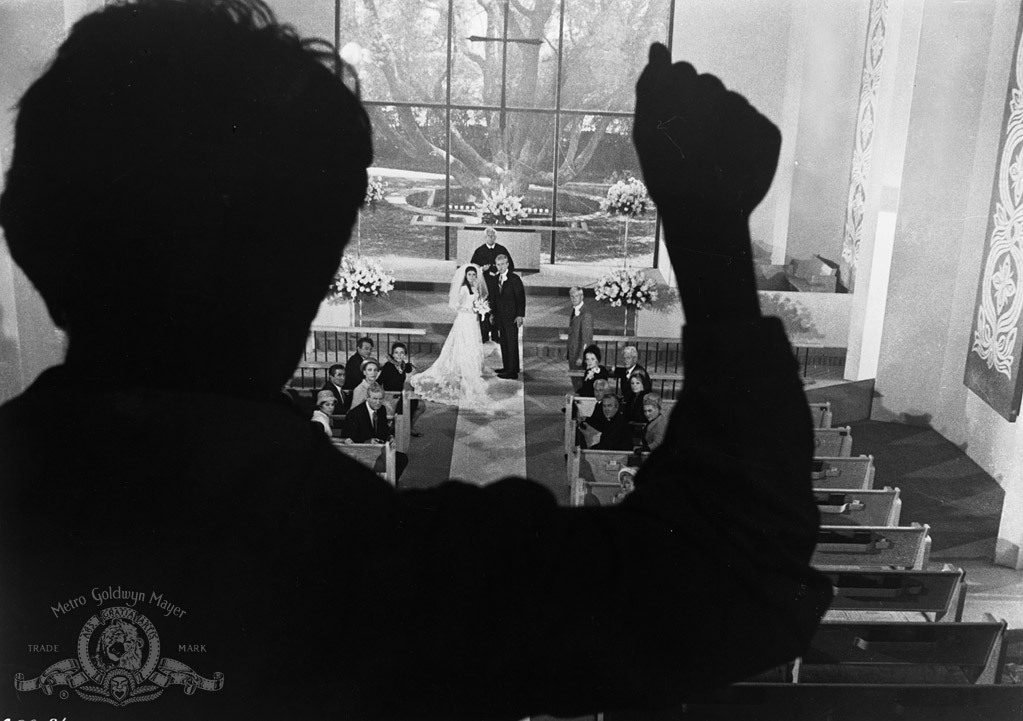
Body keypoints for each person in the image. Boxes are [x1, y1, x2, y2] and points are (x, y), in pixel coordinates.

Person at [0, 3, 830, 715]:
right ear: (320, 261)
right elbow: (731, 577)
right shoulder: (392, 578)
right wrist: (708, 232)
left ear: (23, 228)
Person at [410, 263, 501, 409]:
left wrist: (479, 308)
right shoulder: (464, 289)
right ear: (465, 276)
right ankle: (461, 368)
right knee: (462, 342)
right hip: (465, 318)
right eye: (469, 274)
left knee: (471, 343)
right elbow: (456, 305)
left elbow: (480, 300)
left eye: (473, 274)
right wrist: (469, 309)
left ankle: (472, 367)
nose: (471, 277)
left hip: (473, 320)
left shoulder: (476, 287)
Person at [342, 384, 409, 481]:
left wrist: (390, 438)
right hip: (362, 451)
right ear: (367, 398)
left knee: (402, 459)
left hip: (378, 450)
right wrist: (367, 442)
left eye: (381, 399)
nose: (378, 402)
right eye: (374, 399)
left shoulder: (382, 409)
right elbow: (347, 439)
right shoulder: (355, 414)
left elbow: (384, 431)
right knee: (385, 463)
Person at [470, 225, 514, 343]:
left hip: (499, 284)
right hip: (484, 284)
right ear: (485, 237)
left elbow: (511, 266)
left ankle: (496, 334)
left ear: (496, 237)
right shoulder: (479, 251)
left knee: (497, 308)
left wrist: (501, 273)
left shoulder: (502, 249)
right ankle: (484, 334)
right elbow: (472, 269)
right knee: (483, 307)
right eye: (488, 235)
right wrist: (482, 269)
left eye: (493, 235)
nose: (491, 237)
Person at [489, 253, 526, 380]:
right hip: (500, 317)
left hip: (512, 317)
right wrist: (493, 314)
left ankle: (512, 371)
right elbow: (494, 298)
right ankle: (507, 367)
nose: (500, 267)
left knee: (512, 343)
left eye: (502, 264)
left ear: (507, 264)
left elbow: (520, 298)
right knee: (504, 342)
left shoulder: (514, 279)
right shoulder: (495, 279)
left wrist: (520, 315)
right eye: (498, 265)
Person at [380, 341, 423, 437]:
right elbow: (379, 381)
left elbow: (407, 368)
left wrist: (411, 366)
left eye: (402, 353)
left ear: (405, 355)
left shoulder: (401, 365)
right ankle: (404, 428)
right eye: (396, 352)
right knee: (420, 405)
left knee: (420, 404)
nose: (399, 355)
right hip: (391, 397)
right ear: (392, 354)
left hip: (400, 395)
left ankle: (408, 427)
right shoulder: (388, 366)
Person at [566, 286, 594, 370]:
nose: (574, 299)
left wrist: (581, 357)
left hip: (578, 355)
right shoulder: (575, 310)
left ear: (582, 297)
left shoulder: (586, 314)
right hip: (573, 353)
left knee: (579, 381)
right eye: (572, 296)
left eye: (576, 296)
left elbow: (587, 338)